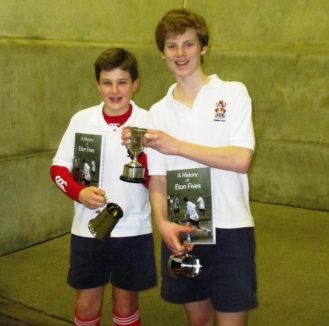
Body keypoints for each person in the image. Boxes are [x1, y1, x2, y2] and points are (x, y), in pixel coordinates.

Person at [124, 8, 258, 326]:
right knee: (198, 321)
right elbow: (157, 178)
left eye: (188, 44)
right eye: (172, 46)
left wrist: (174, 145)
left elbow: (240, 159)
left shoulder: (233, 93)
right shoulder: (157, 111)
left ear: (203, 48)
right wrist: (162, 223)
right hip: (184, 227)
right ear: (162, 54)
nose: (180, 53)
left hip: (231, 229)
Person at [50, 48, 156, 326]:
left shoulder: (150, 122)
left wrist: (141, 155)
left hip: (133, 228)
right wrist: (79, 192)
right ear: (97, 84)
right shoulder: (81, 120)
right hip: (88, 229)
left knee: (125, 305)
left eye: (122, 82)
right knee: (86, 306)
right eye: (107, 82)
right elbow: (58, 168)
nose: (114, 90)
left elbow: (160, 178)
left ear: (135, 83)